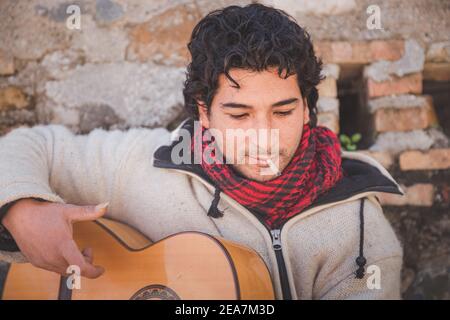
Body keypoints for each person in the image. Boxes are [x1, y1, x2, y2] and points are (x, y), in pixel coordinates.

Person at [0, 3, 404, 299]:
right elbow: (30, 146)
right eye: (239, 113)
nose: (262, 136)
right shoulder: (144, 164)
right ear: (204, 112)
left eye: (282, 111)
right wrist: (22, 210)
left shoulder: (359, 232)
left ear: (307, 110)